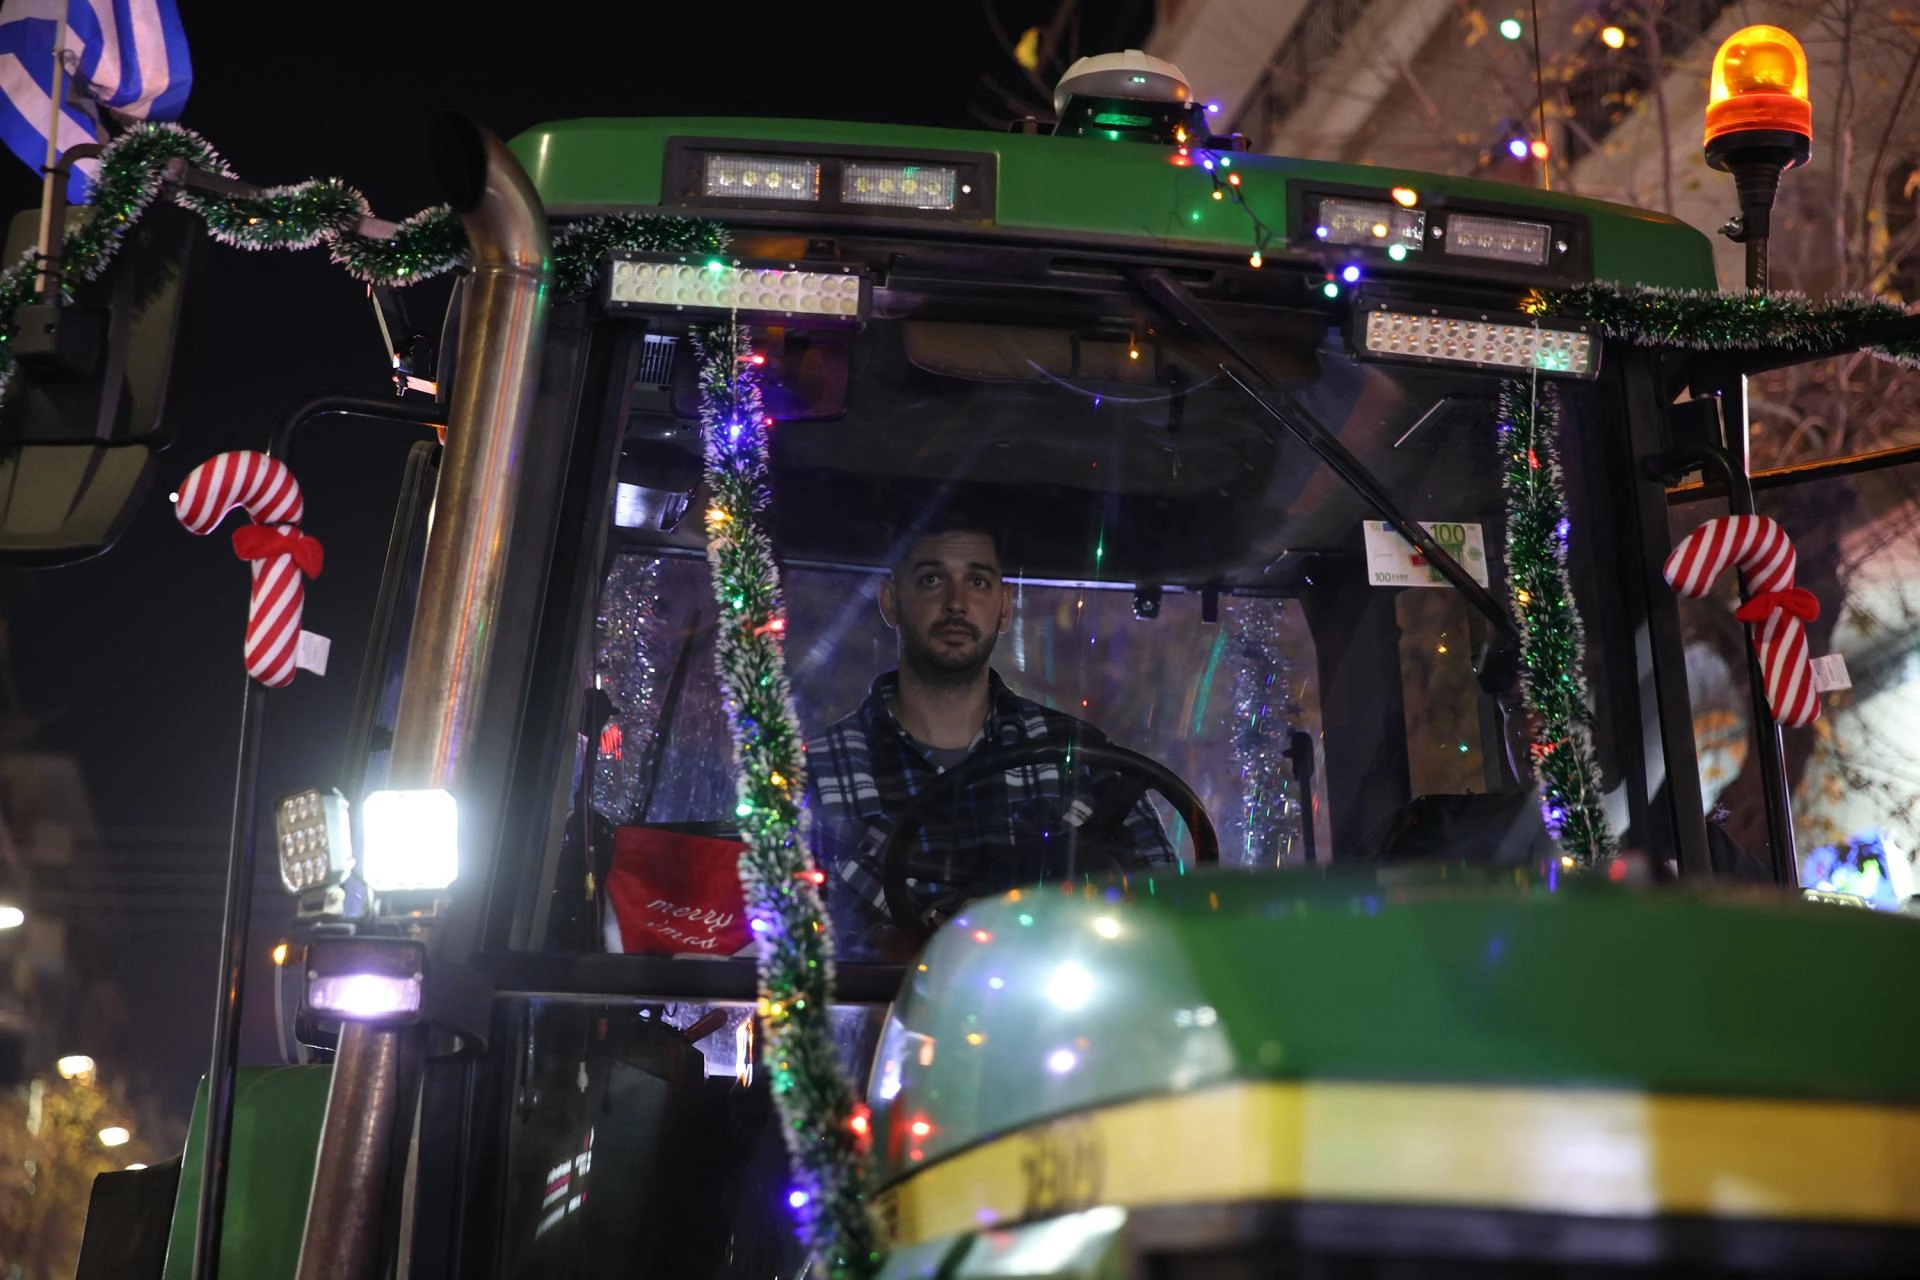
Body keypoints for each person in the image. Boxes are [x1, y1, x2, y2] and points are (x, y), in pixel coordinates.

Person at [805, 507, 1176, 958]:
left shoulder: (1078, 756)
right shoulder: (816, 771)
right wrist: (898, 944)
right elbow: (781, 934)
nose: (956, 603)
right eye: (931, 579)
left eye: (978, 581)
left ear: (1004, 607)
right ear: (890, 601)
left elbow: (1168, 909)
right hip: (889, 1004)